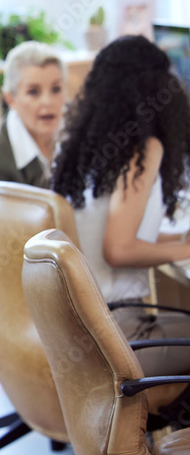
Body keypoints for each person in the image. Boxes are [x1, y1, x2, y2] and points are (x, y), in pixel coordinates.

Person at [52, 35, 190, 379]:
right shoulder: (143, 150)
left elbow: (106, 228)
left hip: (76, 330)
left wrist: (175, 241)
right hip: (118, 335)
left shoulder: (79, 144)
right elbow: (118, 249)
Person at [0, 41, 66, 321]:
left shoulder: (67, 140)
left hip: (51, 274)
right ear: (11, 99)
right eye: (33, 92)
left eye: (56, 89)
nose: (47, 101)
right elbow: (14, 248)